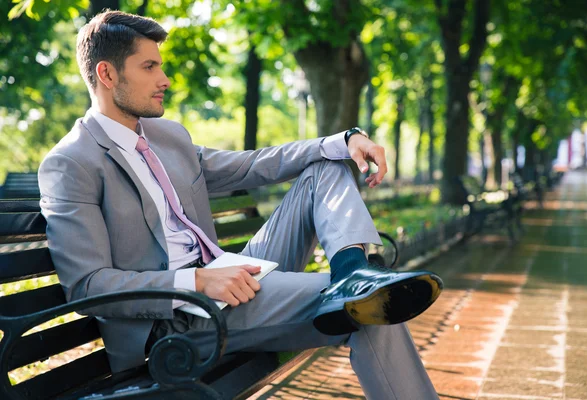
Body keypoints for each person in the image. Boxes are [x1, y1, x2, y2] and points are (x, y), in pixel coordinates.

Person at [39, 10, 442, 399]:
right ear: (106, 74)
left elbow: (252, 164)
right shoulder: (72, 162)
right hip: (174, 319)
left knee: (325, 166)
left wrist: (343, 140)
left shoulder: (166, 137)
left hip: (225, 278)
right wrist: (197, 282)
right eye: (149, 67)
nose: (164, 79)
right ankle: (355, 287)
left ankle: (353, 270)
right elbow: (87, 285)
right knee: (369, 308)